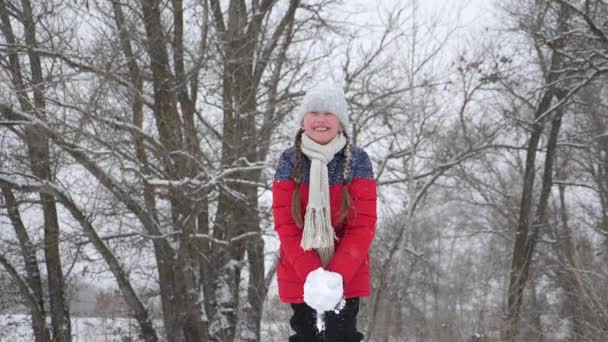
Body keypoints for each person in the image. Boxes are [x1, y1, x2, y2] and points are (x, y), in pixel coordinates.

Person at [272, 83, 377, 342]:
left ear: (340, 123)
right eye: (314, 113)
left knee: (342, 335)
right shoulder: (289, 162)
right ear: (302, 121)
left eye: (328, 113)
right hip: (300, 273)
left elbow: (362, 225)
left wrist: (336, 275)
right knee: (307, 336)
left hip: (346, 275)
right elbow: (286, 224)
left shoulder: (358, 161)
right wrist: (312, 274)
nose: (320, 119)